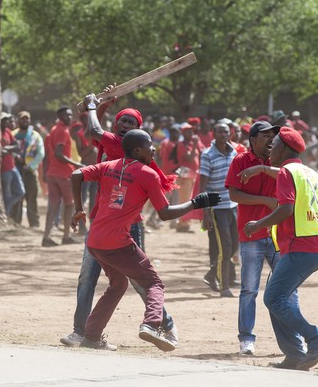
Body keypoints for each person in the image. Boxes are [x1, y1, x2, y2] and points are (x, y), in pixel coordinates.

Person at [69, 129, 220, 351]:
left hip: (95, 240)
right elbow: (165, 213)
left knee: (118, 284)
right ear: (138, 150)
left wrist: (78, 210)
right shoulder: (148, 174)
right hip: (117, 242)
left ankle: (91, 337)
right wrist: (196, 203)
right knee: (154, 283)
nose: (154, 148)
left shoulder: (109, 166)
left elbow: (76, 175)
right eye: (150, 145)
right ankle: (151, 325)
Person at [60, 93, 178, 349]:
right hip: (102, 223)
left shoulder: (120, 146)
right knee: (96, 279)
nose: (125, 126)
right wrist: (101, 106)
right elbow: (93, 132)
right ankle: (84, 332)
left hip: (124, 227)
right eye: (122, 121)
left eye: (130, 123)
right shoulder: (124, 149)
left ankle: (162, 324)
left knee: (137, 281)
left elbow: (93, 129)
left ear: (137, 137)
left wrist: (94, 104)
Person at [242, 127, 318, 371]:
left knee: (273, 297)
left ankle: (317, 341)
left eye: (275, 144)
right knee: (276, 297)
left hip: (301, 247)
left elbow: (286, 209)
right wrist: (262, 168)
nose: (270, 148)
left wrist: (257, 225)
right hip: (316, 245)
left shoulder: (286, 173)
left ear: (283, 149)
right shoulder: (308, 171)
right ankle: (294, 354)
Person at [225, 120, 280, 355]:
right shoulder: (240, 160)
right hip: (251, 235)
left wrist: (265, 169)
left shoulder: (279, 159)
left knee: (286, 290)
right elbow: (234, 194)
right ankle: (246, 339)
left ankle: (291, 340)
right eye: (266, 136)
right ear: (253, 140)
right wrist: (265, 201)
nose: (271, 140)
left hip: (279, 235)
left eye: (273, 136)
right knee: (249, 290)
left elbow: (293, 175)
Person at [199, 123, 238, 298]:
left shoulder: (234, 153)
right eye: (220, 131)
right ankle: (224, 286)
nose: (223, 134)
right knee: (225, 246)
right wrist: (205, 212)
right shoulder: (207, 155)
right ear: (213, 134)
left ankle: (211, 274)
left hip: (233, 205)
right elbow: (203, 185)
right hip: (217, 208)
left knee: (234, 245)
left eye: (226, 132)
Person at [42, 106, 84, 247]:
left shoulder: (52, 130)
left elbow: (48, 154)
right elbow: (59, 154)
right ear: (60, 116)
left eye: (71, 115)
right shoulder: (63, 131)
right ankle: (66, 235)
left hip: (52, 173)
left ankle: (46, 237)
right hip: (63, 173)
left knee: (53, 206)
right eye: (66, 115)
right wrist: (77, 164)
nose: (69, 117)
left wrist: (45, 172)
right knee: (69, 204)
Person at [13, 111, 45, 228]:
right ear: (18, 120)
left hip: (30, 171)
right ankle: (16, 222)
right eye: (22, 119)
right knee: (17, 197)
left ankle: (34, 223)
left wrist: (30, 165)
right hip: (16, 170)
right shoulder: (13, 135)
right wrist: (15, 159)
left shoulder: (35, 136)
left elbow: (41, 153)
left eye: (27, 119)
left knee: (31, 197)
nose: (24, 121)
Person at [175, 122, 204, 232]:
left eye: (192, 131)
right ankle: (182, 223)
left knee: (189, 199)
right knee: (184, 200)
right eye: (188, 131)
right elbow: (190, 159)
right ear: (183, 133)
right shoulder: (182, 144)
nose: (191, 133)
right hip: (184, 176)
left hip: (192, 174)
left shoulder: (192, 143)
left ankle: (185, 222)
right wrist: (196, 144)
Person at [0, 113, 25, 219]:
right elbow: (0, 151)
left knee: (20, 191)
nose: (6, 122)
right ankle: (6, 215)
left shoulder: (7, 132)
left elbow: (17, 146)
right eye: (4, 120)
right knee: (6, 194)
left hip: (12, 166)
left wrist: (7, 149)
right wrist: (8, 149)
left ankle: (6, 210)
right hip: (3, 169)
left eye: (7, 120)